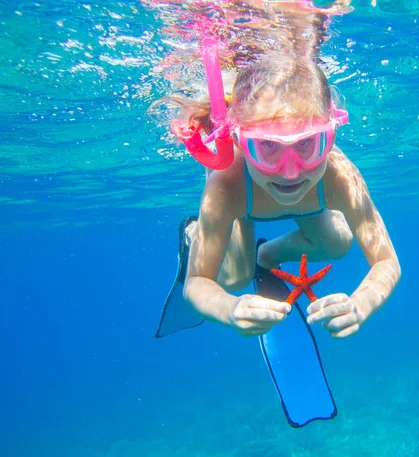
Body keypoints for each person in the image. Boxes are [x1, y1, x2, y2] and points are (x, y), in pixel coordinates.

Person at [152, 1, 400, 341]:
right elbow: (197, 284)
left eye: (307, 144)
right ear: (238, 140)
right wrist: (230, 309)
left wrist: (361, 304)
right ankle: (194, 235)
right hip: (245, 205)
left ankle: (265, 255)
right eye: (266, 146)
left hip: (281, 198)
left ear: (330, 138)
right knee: (234, 279)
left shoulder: (340, 177)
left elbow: (387, 261)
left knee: (339, 242)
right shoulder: (227, 185)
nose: (289, 172)